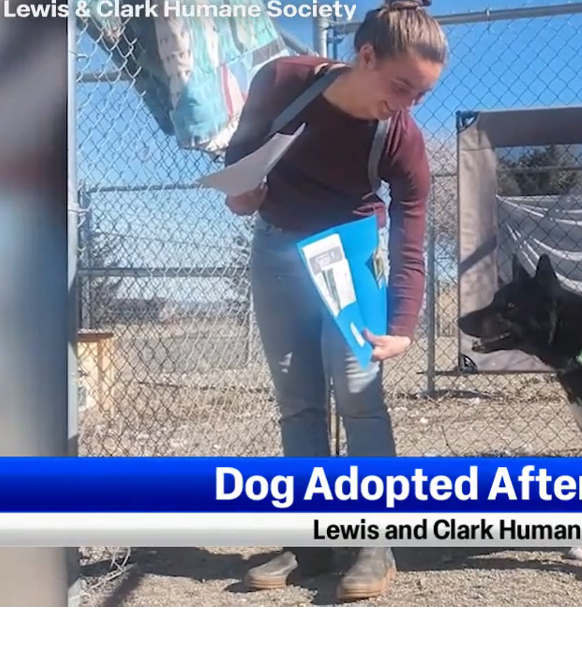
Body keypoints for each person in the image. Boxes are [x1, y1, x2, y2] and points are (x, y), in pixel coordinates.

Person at [220, 0, 446, 602]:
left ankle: (375, 544)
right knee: (297, 402)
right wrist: (240, 194)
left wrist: (403, 323)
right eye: (401, 86)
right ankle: (311, 543)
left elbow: (412, 231)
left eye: (421, 94)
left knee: (358, 394)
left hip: (351, 254)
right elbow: (241, 155)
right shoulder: (283, 81)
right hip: (277, 248)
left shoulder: (400, 135)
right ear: (365, 56)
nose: (408, 104)